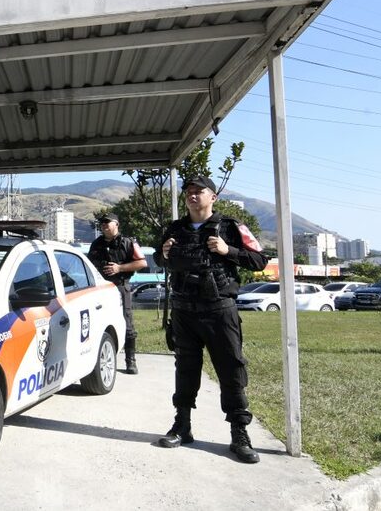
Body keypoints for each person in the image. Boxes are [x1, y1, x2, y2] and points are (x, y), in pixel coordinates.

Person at [157, 175, 268, 464]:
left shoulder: (230, 226)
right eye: (188, 192)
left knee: (231, 370)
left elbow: (260, 260)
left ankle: (239, 433)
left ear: (213, 197)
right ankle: (182, 425)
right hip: (184, 311)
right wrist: (163, 254)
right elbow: (161, 260)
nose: (192, 196)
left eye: (199, 191)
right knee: (185, 368)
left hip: (219, 310)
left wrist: (226, 250)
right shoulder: (175, 228)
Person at [87, 213, 147, 374]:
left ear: (117, 224)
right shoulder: (96, 244)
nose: (104, 225)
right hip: (99, 289)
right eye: (102, 223)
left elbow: (142, 262)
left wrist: (119, 268)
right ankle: (98, 360)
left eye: (107, 222)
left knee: (128, 326)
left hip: (120, 287)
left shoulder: (128, 242)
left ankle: (130, 361)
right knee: (98, 325)